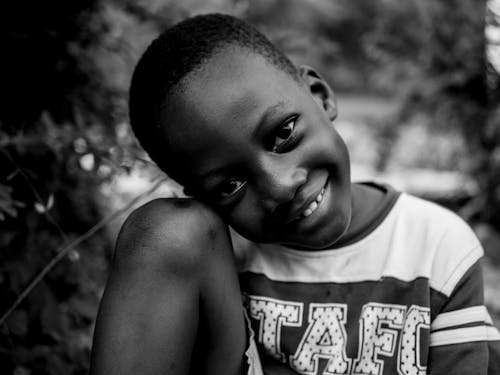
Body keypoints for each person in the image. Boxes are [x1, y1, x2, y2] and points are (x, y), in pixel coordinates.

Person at [90, 13, 500, 375]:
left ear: (320, 97)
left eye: (283, 133)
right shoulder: (210, 255)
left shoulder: (435, 245)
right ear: (203, 197)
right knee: (163, 229)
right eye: (230, 186)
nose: (280, 186)